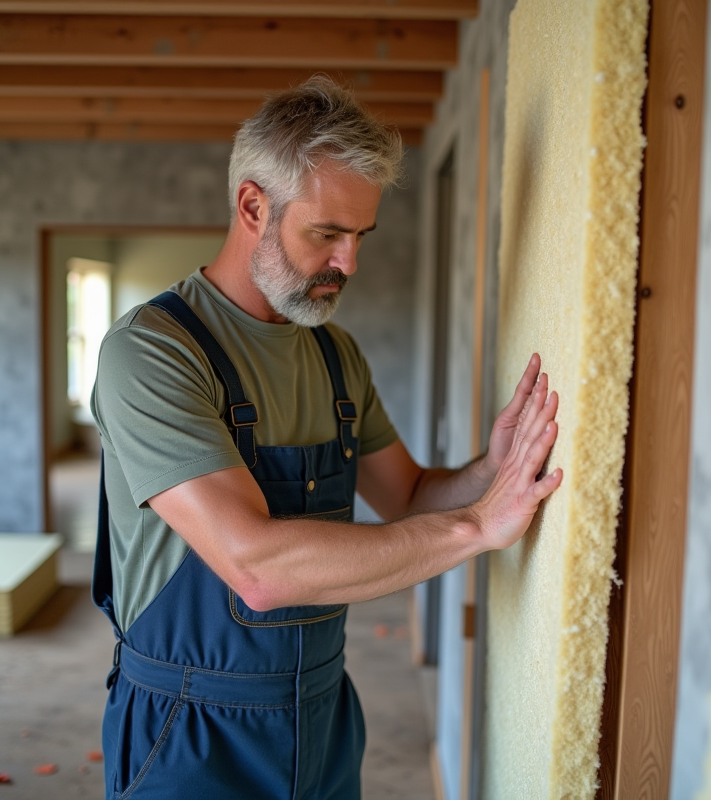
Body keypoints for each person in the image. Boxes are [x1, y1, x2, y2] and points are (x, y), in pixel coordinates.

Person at [90, 75, 562, 799]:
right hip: (190, 726)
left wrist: (488, 472)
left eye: (360, 235)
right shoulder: (153, 352)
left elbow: (405, 496)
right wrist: (474, 527)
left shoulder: (335, 355)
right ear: (253, 205)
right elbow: (258, 568)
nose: (349, 263)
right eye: (326, 234)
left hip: (323, 712)